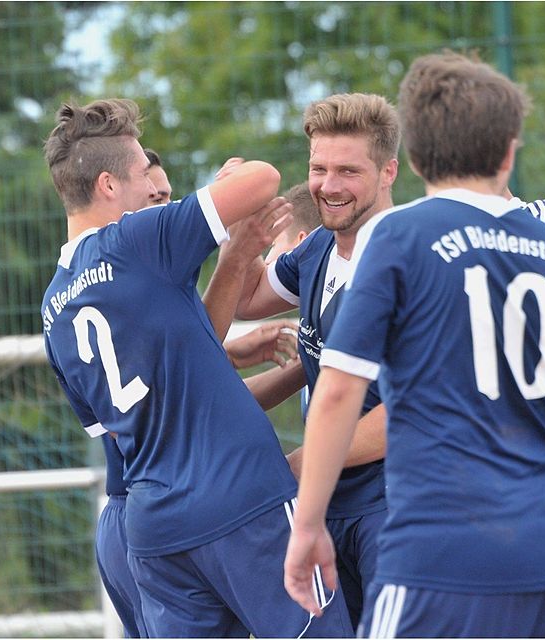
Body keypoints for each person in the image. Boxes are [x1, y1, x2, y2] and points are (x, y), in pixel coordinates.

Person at [283, 53, 545, 638]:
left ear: (413, 160)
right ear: (508, 152)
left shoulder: (396, 238)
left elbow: (339, 393)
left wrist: (308, 524)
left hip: (435, 547)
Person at [41, 98, 351, 637]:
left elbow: (156, 408)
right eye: (146, 177)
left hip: (155, 530)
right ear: (110, 185)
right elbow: (264, 178)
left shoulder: (52, 308)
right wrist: (230, 177)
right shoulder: (134, 241)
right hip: (241, 501)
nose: (157, 193)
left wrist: (296, 360)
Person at [233, 92, 399, 631]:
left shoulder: (409, 260)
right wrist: (237, 227)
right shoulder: (318, 251)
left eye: (348, 171)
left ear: (389, 170)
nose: (328, 185)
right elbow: (246, 297)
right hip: (329, 511)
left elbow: (409, 415)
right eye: (318, 168)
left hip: (396, 509)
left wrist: (298, 467)